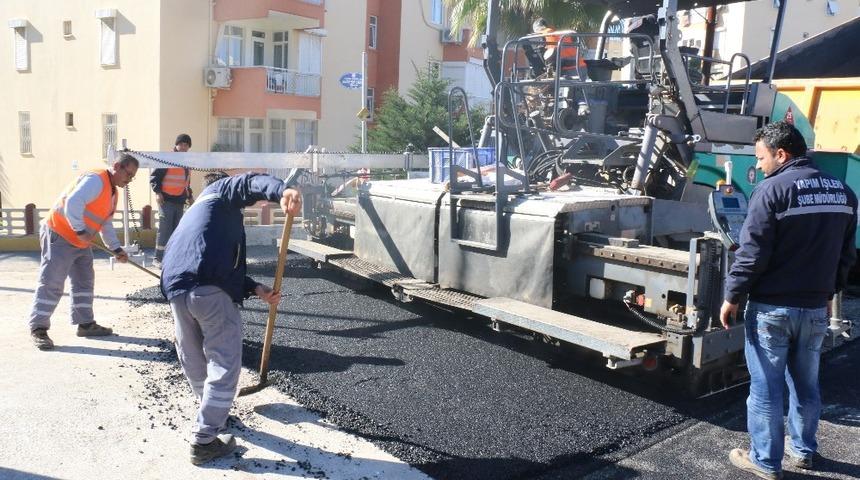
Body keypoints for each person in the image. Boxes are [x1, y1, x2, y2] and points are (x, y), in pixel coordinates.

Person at [720, 121, 857, 479]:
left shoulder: (771, 190)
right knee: (806, 384)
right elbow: (846, 256)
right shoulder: (843, 192)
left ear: (781, 154)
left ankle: (765, 461)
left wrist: (732, 294)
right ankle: (803, 450)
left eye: (761, 157)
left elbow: (752, 253)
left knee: (766, 387)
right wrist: (828, 293)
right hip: (814, 309)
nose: (759, 165)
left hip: (772, 309)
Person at [160, 171, 302, 464]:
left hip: (177, 289)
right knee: (224, 361)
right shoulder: (221, 192)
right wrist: (282, 190)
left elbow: (215, 261)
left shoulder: (197, 215)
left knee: (192, 357)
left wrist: (256, 288)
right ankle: (205, 439)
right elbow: (249, 182)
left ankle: (212, 414)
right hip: (207, 288)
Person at [29, 154, 138, 350]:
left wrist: (116, 248)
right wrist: (80, 231)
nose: (129, 179)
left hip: (80, 241)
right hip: (60, 233)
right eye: (128, 174)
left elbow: (105, 224)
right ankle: (38, 328)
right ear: (116, 166)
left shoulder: (113, 193)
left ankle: (85, 324)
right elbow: (73, 203)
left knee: (84, 281)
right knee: (52, 282)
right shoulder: (96, 180)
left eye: (132, 177)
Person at [150, 133, 194, 267]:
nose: (183, 147)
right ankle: (158, 259)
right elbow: (155, 177)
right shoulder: (167, 158)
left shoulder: (187, 163)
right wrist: (158, 193)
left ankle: (172, 259)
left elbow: (186, 183)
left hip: (179, 201)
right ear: (176, 145)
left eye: (186, 145)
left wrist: (190, 196)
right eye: (181, 144)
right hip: (166, 200)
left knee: (177, 231)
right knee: (165, 230)